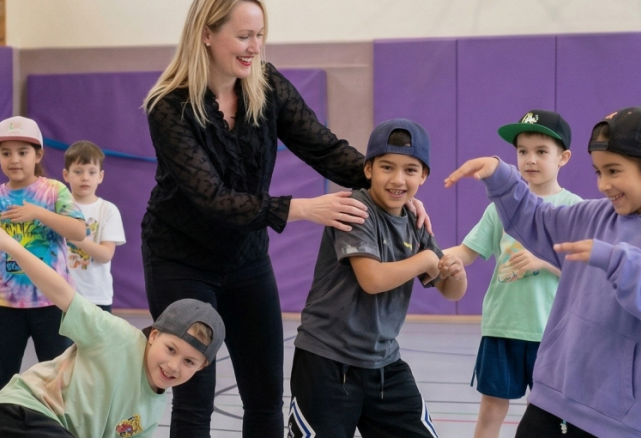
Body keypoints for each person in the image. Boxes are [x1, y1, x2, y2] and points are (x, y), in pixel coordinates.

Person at [141, 1, 428, 436]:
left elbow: (325, 148)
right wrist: (305, 209)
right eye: (243, 36)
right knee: (195, 396)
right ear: (206, 33)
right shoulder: (169, 107)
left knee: (263, 396)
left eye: (260, 36)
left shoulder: (267, 84)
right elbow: (213, 199)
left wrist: (392, 189)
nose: (254, 47)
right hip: (180, 259)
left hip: (246, 260)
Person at [444, 106, 641, 438]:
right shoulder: (593, 216)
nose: (603, 184)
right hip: (550, 405)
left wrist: (619, 263)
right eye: (598, 172)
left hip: (619, 424)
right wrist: (500, 177)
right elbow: (536, 220)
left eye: (614, 171)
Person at [287, 119, 466, 438]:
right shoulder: (356, 209)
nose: (398, 179)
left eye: (410, 170)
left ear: (423, 176)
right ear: (368, 169)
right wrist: (427, 259)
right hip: (327, 363)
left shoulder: (415, 220)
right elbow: (372, 279)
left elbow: (452, 292)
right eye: (387, 167)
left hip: (383, 364)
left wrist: (455, 273)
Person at [0, 224, 225, 438]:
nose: (173, 366)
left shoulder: (151, 411)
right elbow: (61, 293)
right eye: (171, 349)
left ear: (201, 367)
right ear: (155, 336)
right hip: (20, 414)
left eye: (189, 361)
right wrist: (11, 246)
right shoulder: (115, 335)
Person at [441, 110, 583, 438]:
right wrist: (430, 258)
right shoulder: (500, 208)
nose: (529, 160)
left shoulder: (574, 208)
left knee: (554, 417)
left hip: (552, 333)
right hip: (503, 326)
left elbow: (586, 268)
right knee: (492, 409)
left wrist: (543, 260)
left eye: (541, 151)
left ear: (563, 157)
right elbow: (467, 251)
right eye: (522, 151)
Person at [0, 116, 87, 408]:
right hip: (6, 307)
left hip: (53, 304)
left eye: (23, 152)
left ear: (38, 155)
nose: (14, 159)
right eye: (6, 153)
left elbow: (79, 232)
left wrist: (39, 213)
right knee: (0, 380)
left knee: (58, 380)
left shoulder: (54, 191)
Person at [61, 141, 125, 317]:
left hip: (97, 297)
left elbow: (105, 255)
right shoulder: (58, 208)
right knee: (64, 345)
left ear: (100, 176)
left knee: (97, 345)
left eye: (91, 172)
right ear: (66, 175)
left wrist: (74, 237)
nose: (85, 178)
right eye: (78, 171)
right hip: (63, 296)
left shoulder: (107, 210)